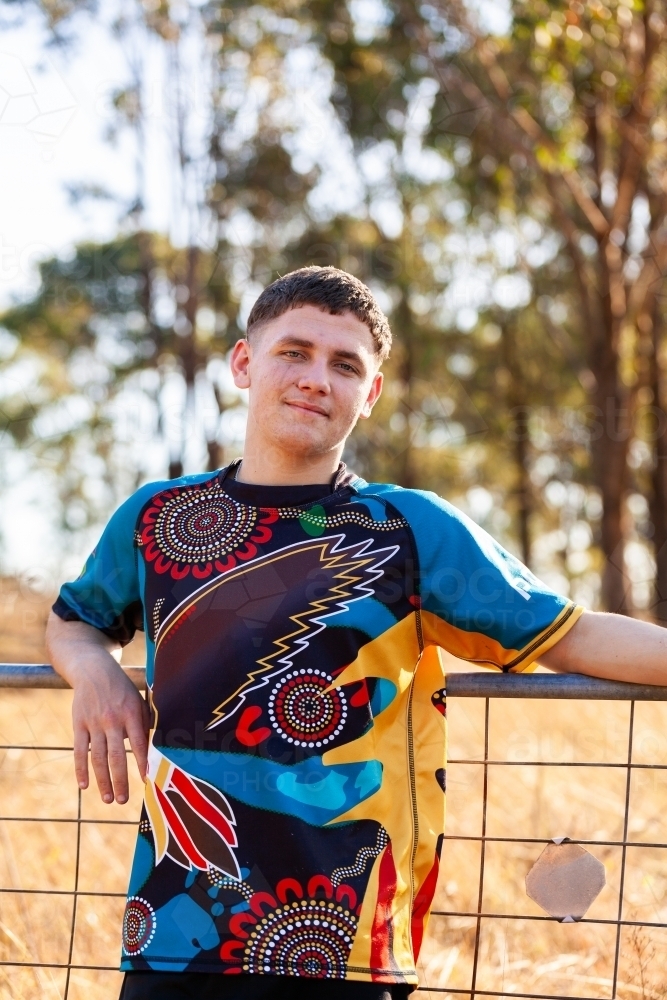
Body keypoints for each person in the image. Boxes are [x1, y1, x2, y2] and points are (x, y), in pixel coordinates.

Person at [46, 266, 667, 1000]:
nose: (316, 378)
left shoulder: (408, 529)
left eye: (345, 365)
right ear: (244, 363)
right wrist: (94, 670)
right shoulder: (158, 518)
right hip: (175, 929)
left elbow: (568, 634)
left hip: (345, 944)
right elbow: (76, 618)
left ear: (367, 395)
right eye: (293, 352)